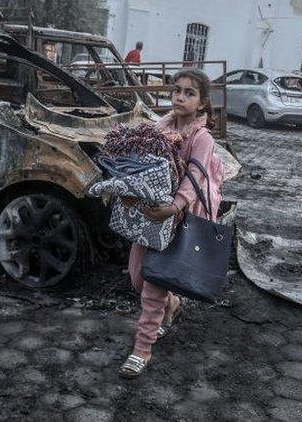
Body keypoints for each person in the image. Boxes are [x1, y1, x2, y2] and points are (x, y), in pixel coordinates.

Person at [118, 69, 225, 378]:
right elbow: (143, 167)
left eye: (189, 93)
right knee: (138, 276)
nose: (180, 96)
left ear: (202, 103)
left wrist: (173, 207)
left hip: (179, 216)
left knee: (153, 285)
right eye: (176, 90)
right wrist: (129, 190)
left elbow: (194, 179)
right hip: (151, 214)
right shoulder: (159, 127)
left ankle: (143, 348)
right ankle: (173, 305)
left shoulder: (201, 138)